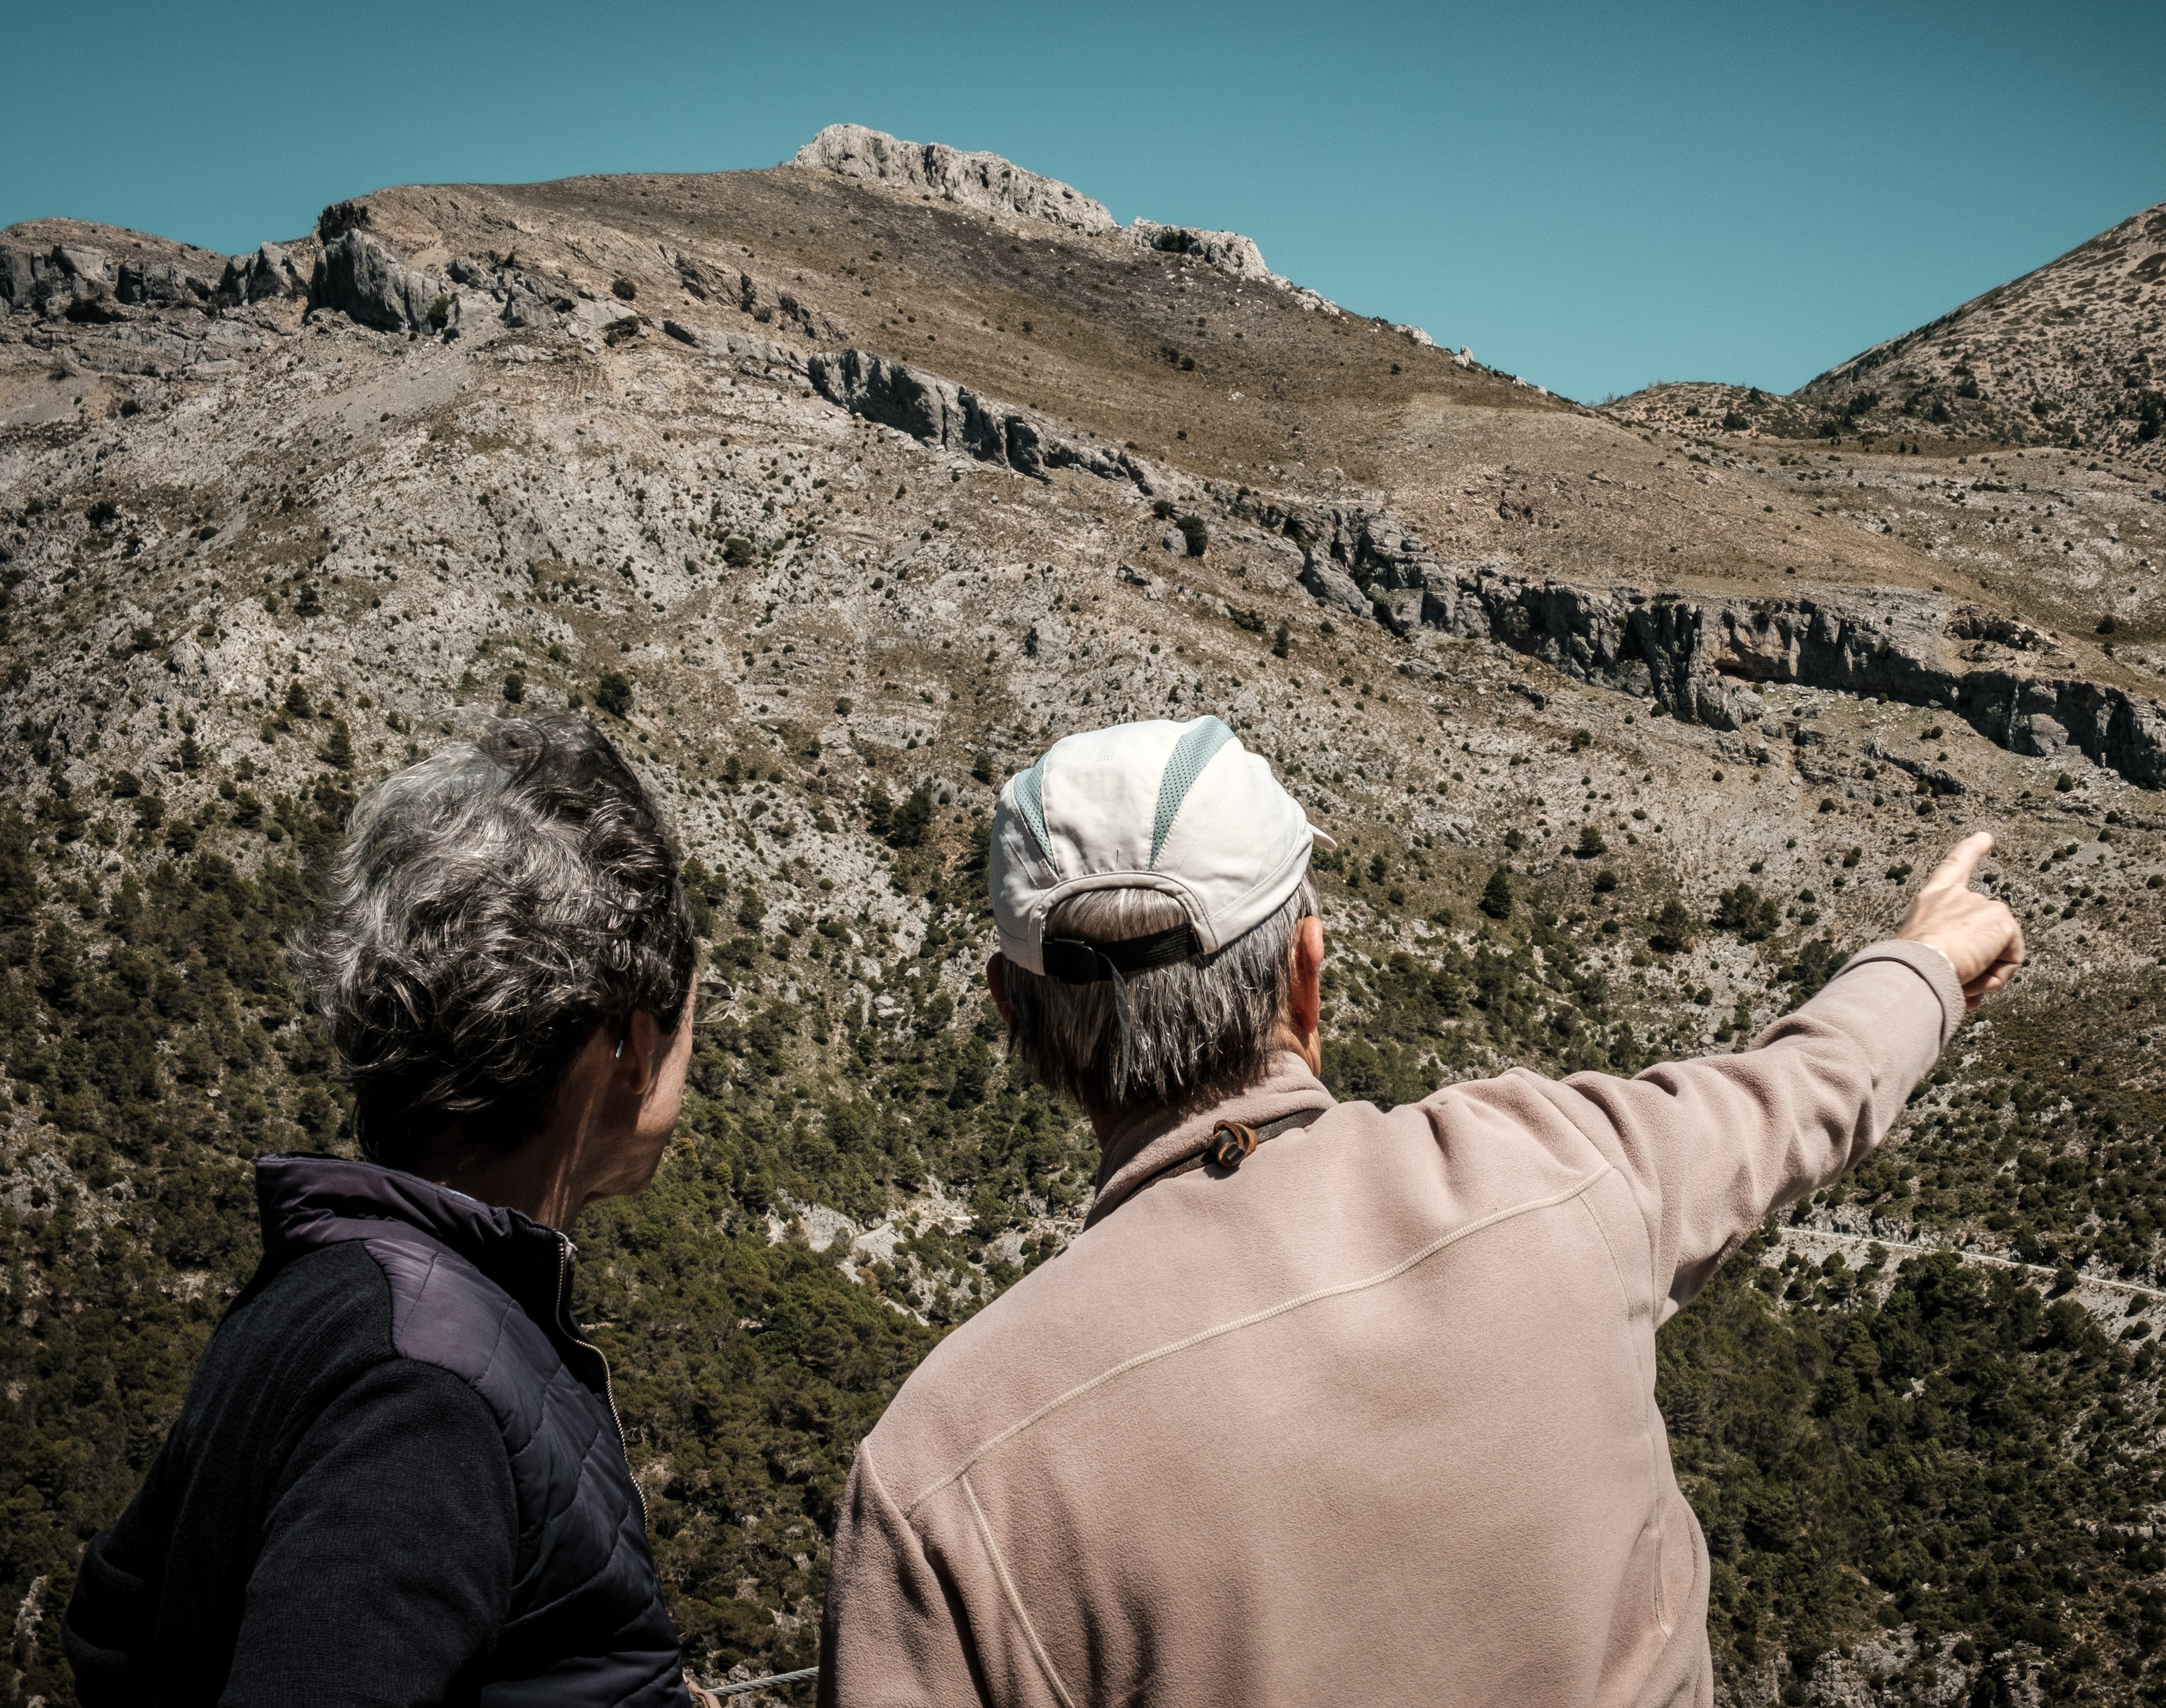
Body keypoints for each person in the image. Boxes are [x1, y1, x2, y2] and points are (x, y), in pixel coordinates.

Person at [823, 715, 2024, 1707]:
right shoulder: (1558, 1165)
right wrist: (1926, 960)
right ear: (1308, 966)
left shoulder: (942, 1473)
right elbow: (1802, 1093)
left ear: (1012, 1016)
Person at [64, 716, 711, 1708]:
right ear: (624, 1043)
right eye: (680, 1023)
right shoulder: (424, 1398)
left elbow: (120, 1621)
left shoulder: (323, 1295)